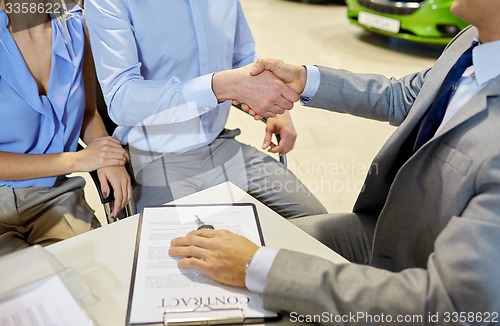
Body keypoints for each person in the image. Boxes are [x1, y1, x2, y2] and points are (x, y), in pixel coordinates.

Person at [169, 0, 500, 322]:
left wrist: (254, 268)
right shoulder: (473, 40)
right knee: (258, 243)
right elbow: (405, 96)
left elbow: (445, 305)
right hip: (391, 230)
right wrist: (305, 79)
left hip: (424, 278)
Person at [84, 0, 327, 219]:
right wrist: (217, 87)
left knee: (318, 225)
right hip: (156, 155)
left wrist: (275, 106)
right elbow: (121, 99)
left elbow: (243, 58)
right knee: (180, 259)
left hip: (219, 142)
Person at [0, 1, 131, 256]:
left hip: (56, 196)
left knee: (96, 279)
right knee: (18, 292)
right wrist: (75, 160)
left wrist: (105, 153)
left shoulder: (75, 24)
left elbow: (88, 113)